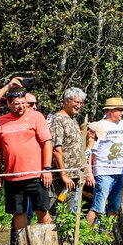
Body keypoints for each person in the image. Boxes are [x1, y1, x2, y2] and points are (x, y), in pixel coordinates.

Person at [0, 90, 54, 245]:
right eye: (16, 104)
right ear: (8, 104)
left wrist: (46, 168)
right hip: (13, 176)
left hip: (35, 174)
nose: (21, 107)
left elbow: (47, 142)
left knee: (41, 209)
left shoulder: (36, 117)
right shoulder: (2, 121)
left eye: (23, 103)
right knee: (18, 212)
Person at [86, 97, 123, 224]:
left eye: (122, 110)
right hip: (104, 172)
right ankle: (86, 234)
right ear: (109, 111)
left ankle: (108, 235)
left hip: (120, 171)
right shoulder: (99, 126)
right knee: (98, 207)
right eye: (119, 110)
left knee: (115, 208)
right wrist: (89, 172)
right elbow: (90, 150)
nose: (122, 113)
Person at [49, 87, 86, 215]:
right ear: (66, 101)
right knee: (57, 212)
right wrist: (63, 175)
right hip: (61, 178)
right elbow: (56, 148)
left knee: (68, 213)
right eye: (77, 102)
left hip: (74, 176)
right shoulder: (58, 119)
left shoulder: (73, 120)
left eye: (81, 103)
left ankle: (65, 236)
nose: (79, 106)